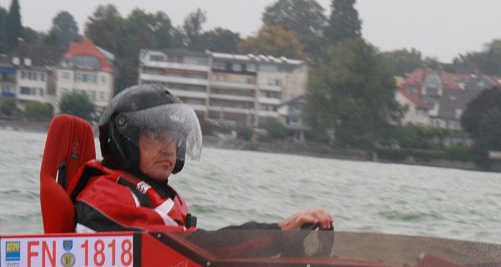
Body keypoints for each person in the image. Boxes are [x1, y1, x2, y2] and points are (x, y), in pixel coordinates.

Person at [70, 84, 332, 234]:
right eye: (156, 135)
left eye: (173, 138)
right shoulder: (107, 195)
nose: (169, 147)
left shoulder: (152, 194)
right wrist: (279, 232)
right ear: (124, 140)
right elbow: (195, 251)